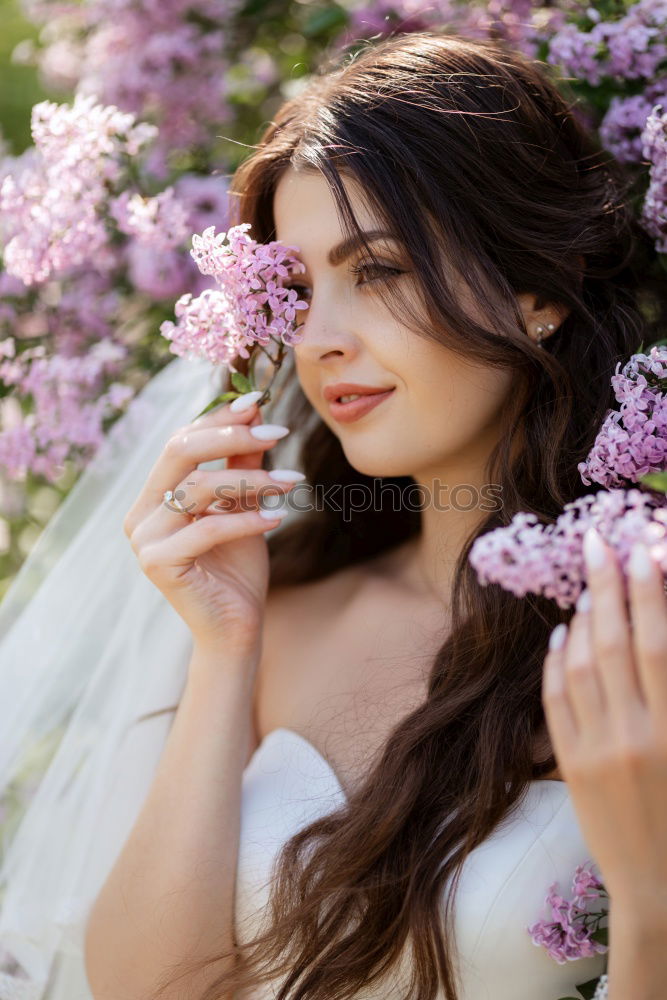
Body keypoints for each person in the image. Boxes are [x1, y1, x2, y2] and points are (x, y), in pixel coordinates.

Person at [1, 28, 666, 1000]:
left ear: (536, 290)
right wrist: (225, 650)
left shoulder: (637, 633)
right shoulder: (278, 617)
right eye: (298, 291)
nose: (318, 341)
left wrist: (647, 906)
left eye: (381, 270)